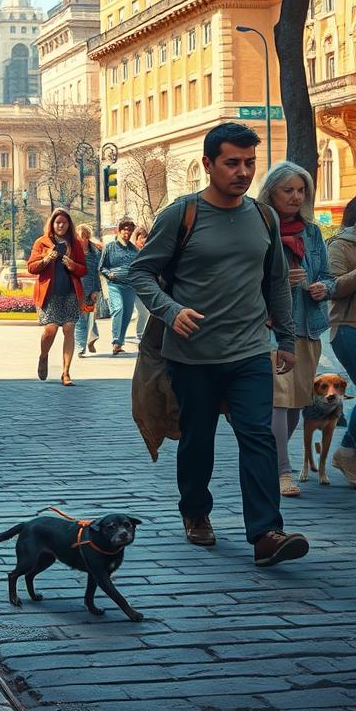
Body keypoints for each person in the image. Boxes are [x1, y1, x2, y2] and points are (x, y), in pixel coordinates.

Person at [128, 122, 308, 567]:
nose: (243, 171)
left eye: (249, 163)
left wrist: (284, 337)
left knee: (259, 437)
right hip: (192, 356)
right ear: (208, 165)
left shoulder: (263, 216)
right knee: (198, 439)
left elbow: (277, 283)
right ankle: (195, 512)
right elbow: (141, 272)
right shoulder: (182, 214)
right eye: (232, 162)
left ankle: (267, 533)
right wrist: (171, 311)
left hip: (249, 351)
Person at [256, 162, 334, 498]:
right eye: (288, 190)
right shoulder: (258, 227)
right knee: (278, 400)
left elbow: (328, 275)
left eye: (301, 190)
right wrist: (278, 282)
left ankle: (266, 458)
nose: (296, 196)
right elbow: (242, 280)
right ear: (271, 191)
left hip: (308, 326)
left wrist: (323, 288)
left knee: (296, 404)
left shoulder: (312, 232)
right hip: (271, 327)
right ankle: (282, 472)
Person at [27, 208, 87, 386]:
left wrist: (72, 265)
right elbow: (31, 267)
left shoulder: (75, 244)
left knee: (69, 329)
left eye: (64, 222)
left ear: (69, 225)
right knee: (50, 330)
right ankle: (44, 355)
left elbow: (84, 269)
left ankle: (66, 373)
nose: (61, 225)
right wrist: (45, 260)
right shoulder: (42, 242)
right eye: (57, 222)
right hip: (49, 294)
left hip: (70, 293)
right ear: (52, 224)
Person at [327, 195, 356, 487]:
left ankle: (348, 450)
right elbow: (332, 287)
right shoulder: (340, 245)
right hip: (348, 328)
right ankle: (347, 450)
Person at [99, 217, 138, 355]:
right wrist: (108, 274)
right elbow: (101, 267)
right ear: (119, 231)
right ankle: (115, 340)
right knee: (118, 309)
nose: (127, 232)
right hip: (114, 284)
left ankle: (119, 345)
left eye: (130, 230)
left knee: (127, 315)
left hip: (130, 286)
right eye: (125, 229)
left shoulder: (134, 250)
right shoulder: (110, 247)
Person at [74, 223, 102, 357]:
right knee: (80, 318)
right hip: (76, 289)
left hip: (91, 291)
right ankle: (80, 346)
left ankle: (92, 337)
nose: (82, 240)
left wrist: (97, 290)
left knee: (89, 317)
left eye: (85, 237)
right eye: (80, 237)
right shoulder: (73, 253)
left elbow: (97, 273)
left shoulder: (95, 253)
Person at [130, 225, 151, 342]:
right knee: (125, 312)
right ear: (136, 239)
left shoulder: (148, 251)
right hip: (130, 286)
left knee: (144, 311)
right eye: (142, 240)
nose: (143, 243)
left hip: (143, 285)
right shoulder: (131, 251)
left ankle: (140, 334)